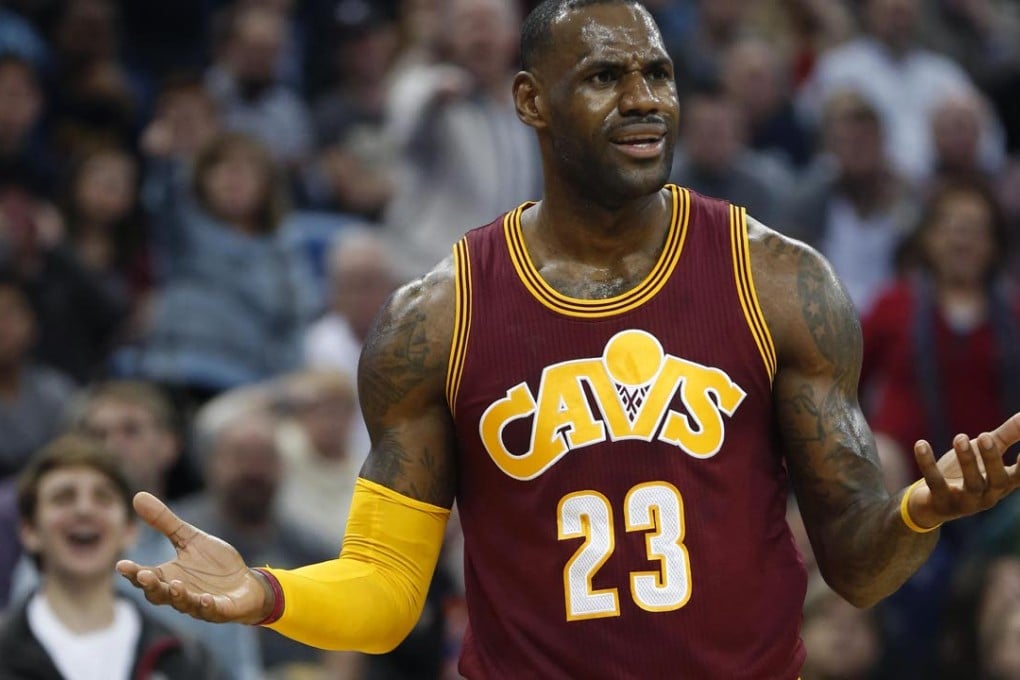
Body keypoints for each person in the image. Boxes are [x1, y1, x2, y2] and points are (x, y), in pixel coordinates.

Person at [117, 2, 1020, 678]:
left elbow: (856, 566)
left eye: (658, 74)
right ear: (530, 100)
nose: (643, 100)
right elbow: (388, 591)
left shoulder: (779, 281)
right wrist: (269, 593)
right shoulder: (436, 318)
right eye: (603, 77)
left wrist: (920, 513)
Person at [0, 433, 219, 680]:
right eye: (64, 498)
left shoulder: (185, 659)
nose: (84, 509)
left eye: (103, 498)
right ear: (29, 531)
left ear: (130, 530)